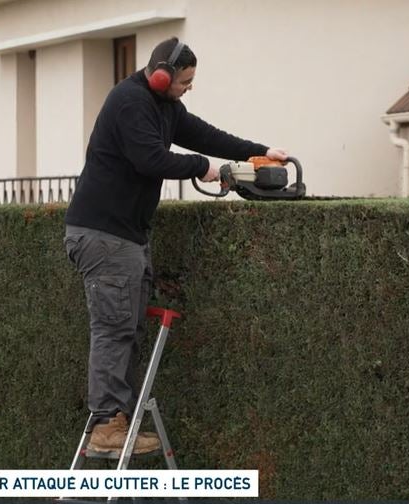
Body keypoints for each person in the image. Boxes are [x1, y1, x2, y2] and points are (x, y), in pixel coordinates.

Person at [63, 37, 287, 454]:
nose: (188, 86)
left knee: (125, 328)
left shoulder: (166, 107)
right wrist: (202, 168)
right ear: (163, 75)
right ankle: (106, 428)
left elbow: (203, 134)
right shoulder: (129, 102)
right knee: (114, 330)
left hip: (123, 237)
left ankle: (116, 421)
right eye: (185, 80)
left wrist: (258, 153)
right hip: (104, 237)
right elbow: (150, 159)